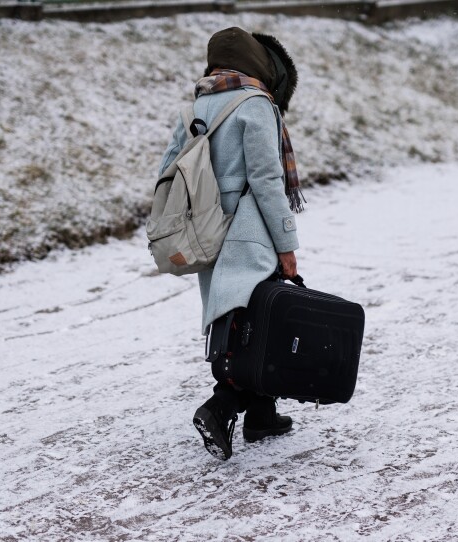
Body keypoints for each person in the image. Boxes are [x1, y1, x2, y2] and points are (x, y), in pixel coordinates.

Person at [157, 27, 304, 461]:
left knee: (233, 320)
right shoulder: (256, 104)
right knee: (256, 322)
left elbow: (168, 168)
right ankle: (220, 407)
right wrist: (286, 242)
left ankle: (261, 416)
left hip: (206, 227)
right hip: (247, 230)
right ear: (256, 62)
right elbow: (266, 179)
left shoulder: (197, 105)